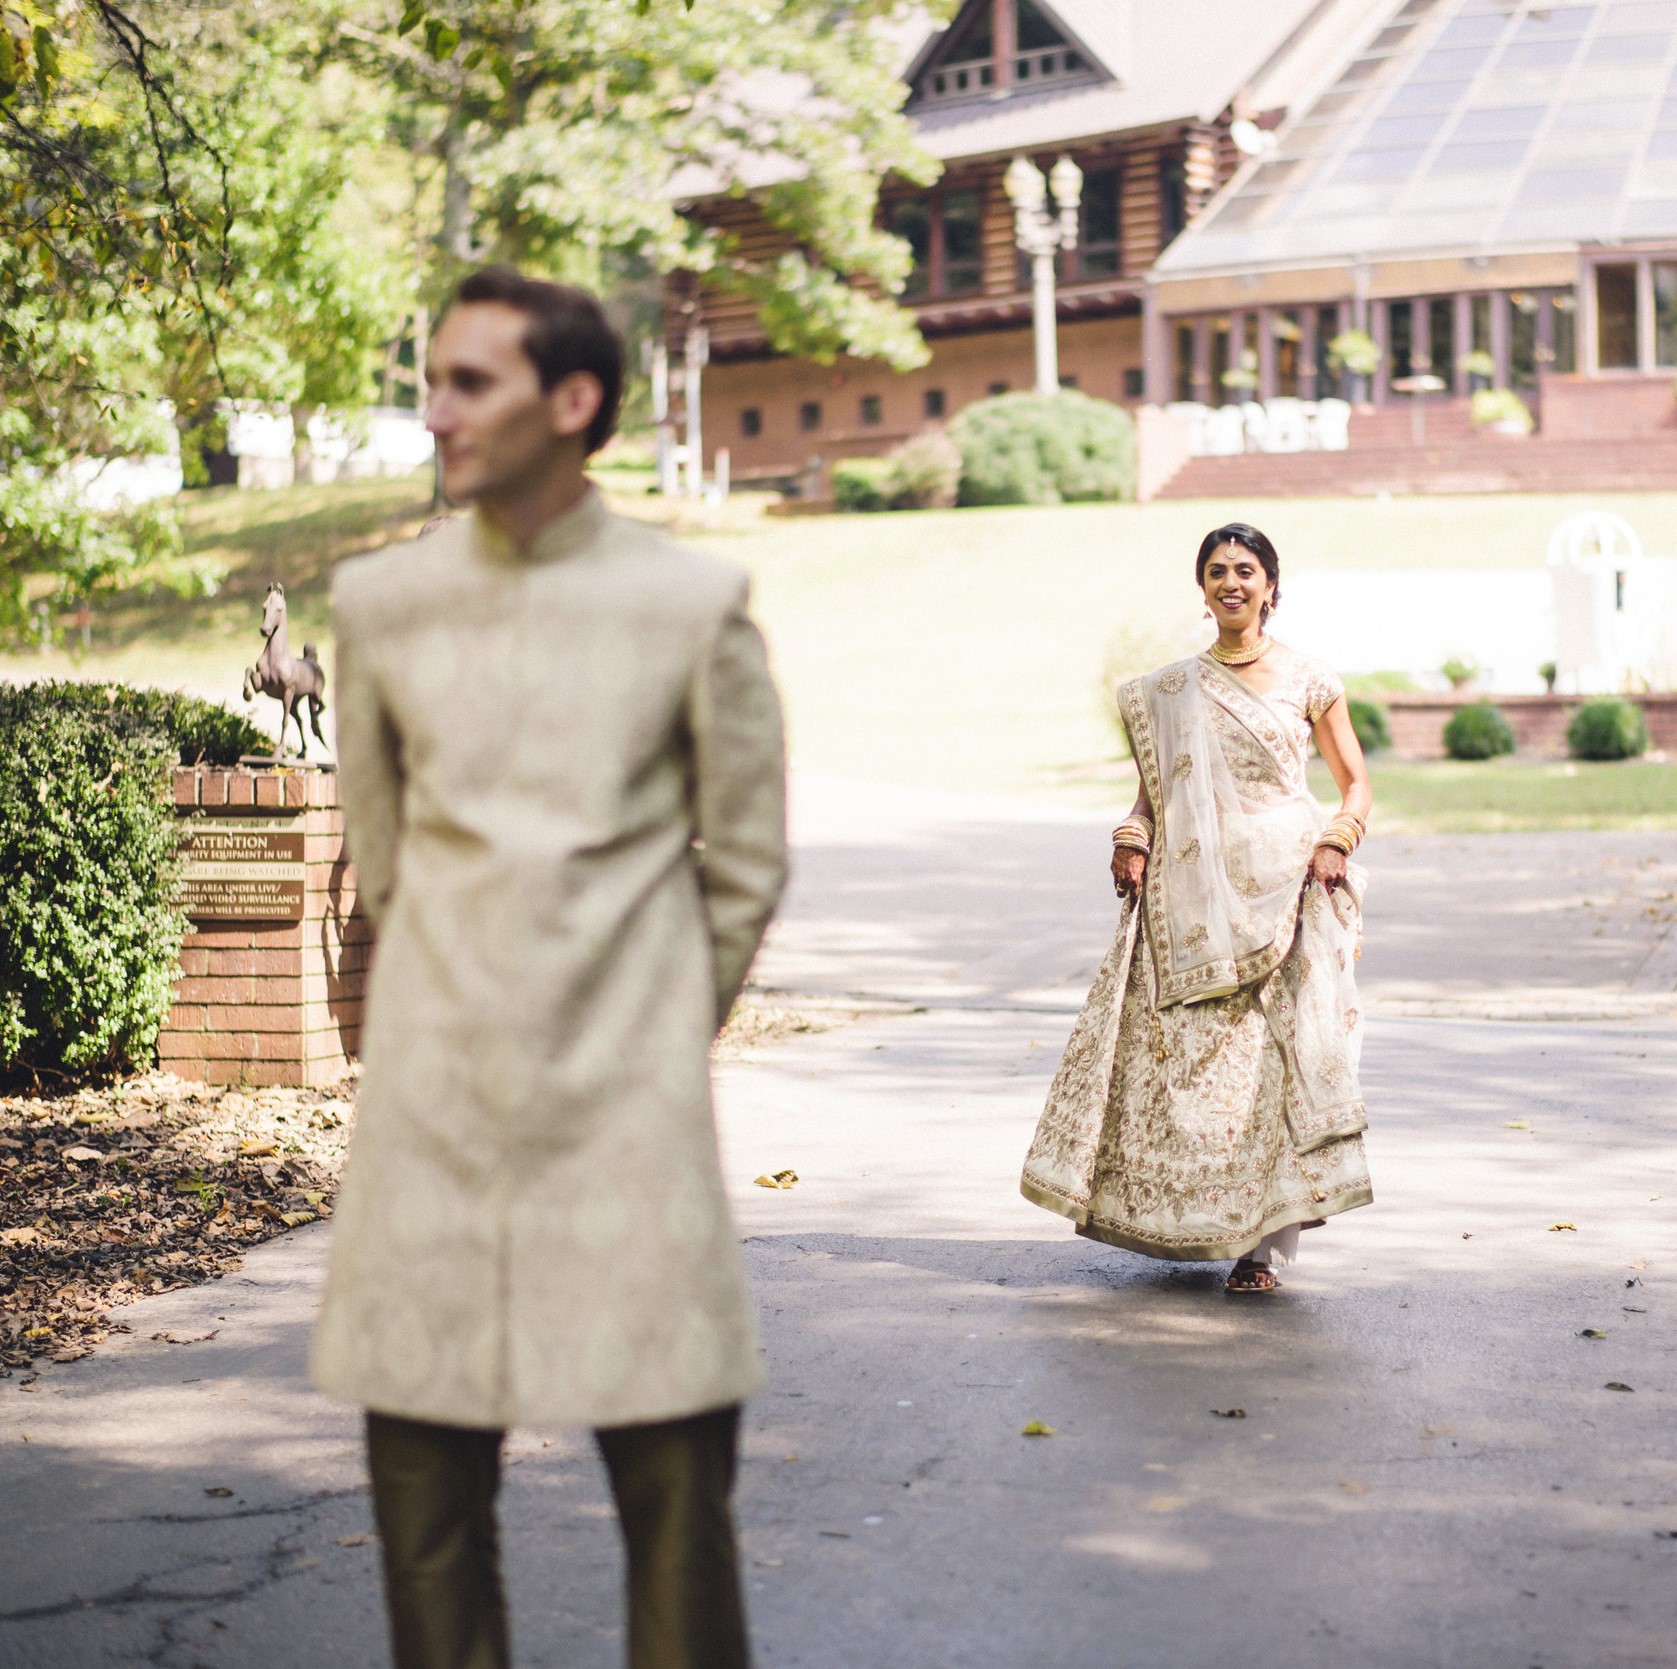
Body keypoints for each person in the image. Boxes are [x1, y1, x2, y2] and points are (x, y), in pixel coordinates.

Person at [311, 265, 788, 1669]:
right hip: (429, 1122)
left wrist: (644, 1029)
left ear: (570, 402)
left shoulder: (692, 602)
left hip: (626, 1125)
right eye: (433, 379)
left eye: (469, 383)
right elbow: (386, 863)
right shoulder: (381, 603)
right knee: (425, 1511)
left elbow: (744, 863)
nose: (434, 411)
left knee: (677, 1504)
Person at [1020, 523, 1372, 1295]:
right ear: (1202, 587)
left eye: (1245, 570)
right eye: (1216, 571)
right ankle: (1188, 1222)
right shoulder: (1171, 690)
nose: (1230, 583)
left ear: (1270, 585)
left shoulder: (1309, 678)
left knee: (1271, 1071)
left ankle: (1262, 1250)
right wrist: (1132, 835)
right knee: (1189, 1069)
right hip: (1189, 903)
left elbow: (1354, 784)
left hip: (1286, 891)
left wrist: (1336, 841)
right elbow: (1155, 789)